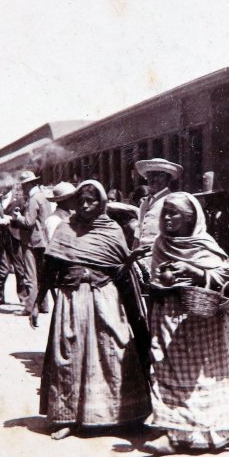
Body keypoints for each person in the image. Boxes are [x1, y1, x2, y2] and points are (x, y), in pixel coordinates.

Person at [34, 180, 151, 440]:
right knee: (69, 355)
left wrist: (129, 261)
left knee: (113, 349)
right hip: (71, 299)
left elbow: (120, 274)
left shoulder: (112, 230)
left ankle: (121, 416)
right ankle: (68, 419)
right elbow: (50, 267)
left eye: (92, 201)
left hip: (104, 299)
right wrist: (36, 301)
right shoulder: (66, 229)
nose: (86, 206)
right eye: (82, 200)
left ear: (102, 203)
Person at [143, 192, 229, 455]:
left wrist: (196, 272)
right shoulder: (161, 243)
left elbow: (226, 278)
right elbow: (155, 280)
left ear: (190, 218)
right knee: (169, 373)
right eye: (165, 213)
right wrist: (163, 281)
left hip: (204, 323)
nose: (167, 218)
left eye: (174, 213)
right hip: (170, 319)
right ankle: (173, 433)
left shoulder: (205, 244)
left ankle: (216, 430)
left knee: (206, 375)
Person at [10, 170, 52, 316]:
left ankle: (30, 307)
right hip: (43, 241)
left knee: (30, 276)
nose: (22, 189)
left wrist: (18, 216)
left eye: (23, 186)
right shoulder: (43, 197)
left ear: (28, 185)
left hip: (31, 242)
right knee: (41, 275)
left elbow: (29, 222)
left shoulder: (33, 199)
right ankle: (44, 306)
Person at [0, 173, 28, 308]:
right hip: (1, 238)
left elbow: (25, 219)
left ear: (10, 187)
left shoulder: (20, 200)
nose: (1, 190)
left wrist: (11, 219)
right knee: (2, 269)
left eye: (4, 188)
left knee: (20, 269)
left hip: (16, 238)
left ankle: (24, 298)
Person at [133, 158, 183, 263]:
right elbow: (139, 229)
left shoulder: (171, 201)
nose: (153, 179)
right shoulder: (145, 203)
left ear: (168, 179)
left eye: (159, 176)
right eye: (150, 175)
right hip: (141, 259)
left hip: (161, 258)